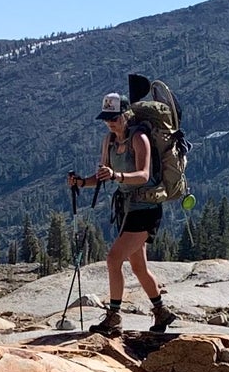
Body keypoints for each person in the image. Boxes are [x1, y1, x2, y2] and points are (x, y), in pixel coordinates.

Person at [69, 94, 174, 337]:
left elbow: (144, 175)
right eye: (106, 119)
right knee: (138, 267)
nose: (110, 123)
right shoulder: (109, 141)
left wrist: (117, 176)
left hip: (146, 208)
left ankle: (114, 317)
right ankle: (162, 312)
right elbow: (103, 174)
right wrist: (82, 182)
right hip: (127, 208)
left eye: (114, 118)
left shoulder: (140, 139)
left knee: (114, 259)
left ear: (126, 114)